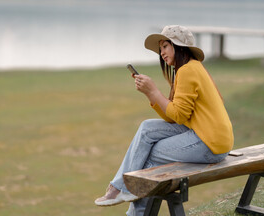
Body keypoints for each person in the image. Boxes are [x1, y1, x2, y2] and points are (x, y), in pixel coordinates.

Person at [94, 25, 234, 215]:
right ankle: (119, 188)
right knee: (147, 128)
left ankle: (125, 196)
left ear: (179, 46)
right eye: (160, 49)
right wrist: (150, 95)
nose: (162, 53)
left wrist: (154, 91)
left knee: (149, 157)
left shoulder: (187, 71)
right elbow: (173, 117)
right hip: (208, 137)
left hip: (210, 144)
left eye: (165, 46)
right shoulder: (189, 69)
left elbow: (179, 116)